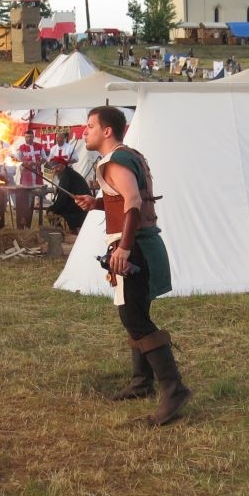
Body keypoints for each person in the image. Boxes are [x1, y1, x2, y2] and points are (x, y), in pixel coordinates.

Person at [74, 105, 189, 425]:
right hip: (141, 245)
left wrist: (124, 247)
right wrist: (96, 203)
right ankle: (141, 382)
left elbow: (134, 203)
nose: (85, 132)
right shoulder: (129, 155)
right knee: (134, 312)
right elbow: (125, 198)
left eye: (90, 126)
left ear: (107, 131)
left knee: (133, 316)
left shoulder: (115, 161)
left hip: (134, 247)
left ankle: (174, 389)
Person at [11, 129, 45, 229]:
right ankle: (26, 217)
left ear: (33, 137)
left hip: (37, 173)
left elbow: (44, 158)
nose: (28, 138)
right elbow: (17, 160)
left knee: (39, 193)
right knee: (26, 195)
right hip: (27, 174)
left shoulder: (39, 146)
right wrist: (26, 164)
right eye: (26, 137)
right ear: (24, 137)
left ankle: (38, 214)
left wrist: (39, 163)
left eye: (30, 137)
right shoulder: (21, 148)